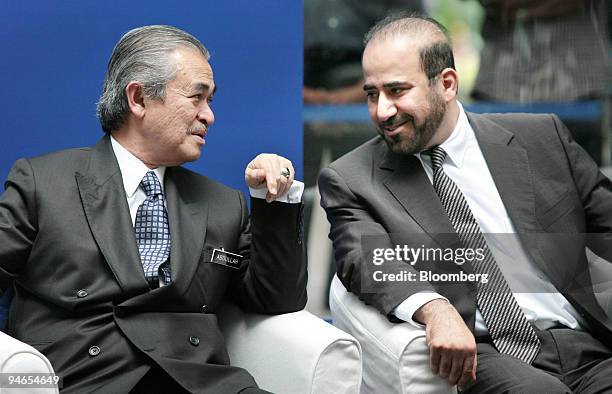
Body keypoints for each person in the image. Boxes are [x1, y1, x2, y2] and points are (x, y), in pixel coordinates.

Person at [0, 25, 306, 393]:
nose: (210, 116)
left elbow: (277, 299)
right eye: (197, 97)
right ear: (139, 99)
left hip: (201, 383)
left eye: (210, 101)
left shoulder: (223, 203)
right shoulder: (44, 183)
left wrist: (271, 202)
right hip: (84, 381)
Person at [319, 13, 612, 393]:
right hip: (486, 353)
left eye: (397, 90)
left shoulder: (542, 138)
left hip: (583, 341)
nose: (382, 111)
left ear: (446, 84)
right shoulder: (354, 178)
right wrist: (434, 308)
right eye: (372, 94)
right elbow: (368, 261)